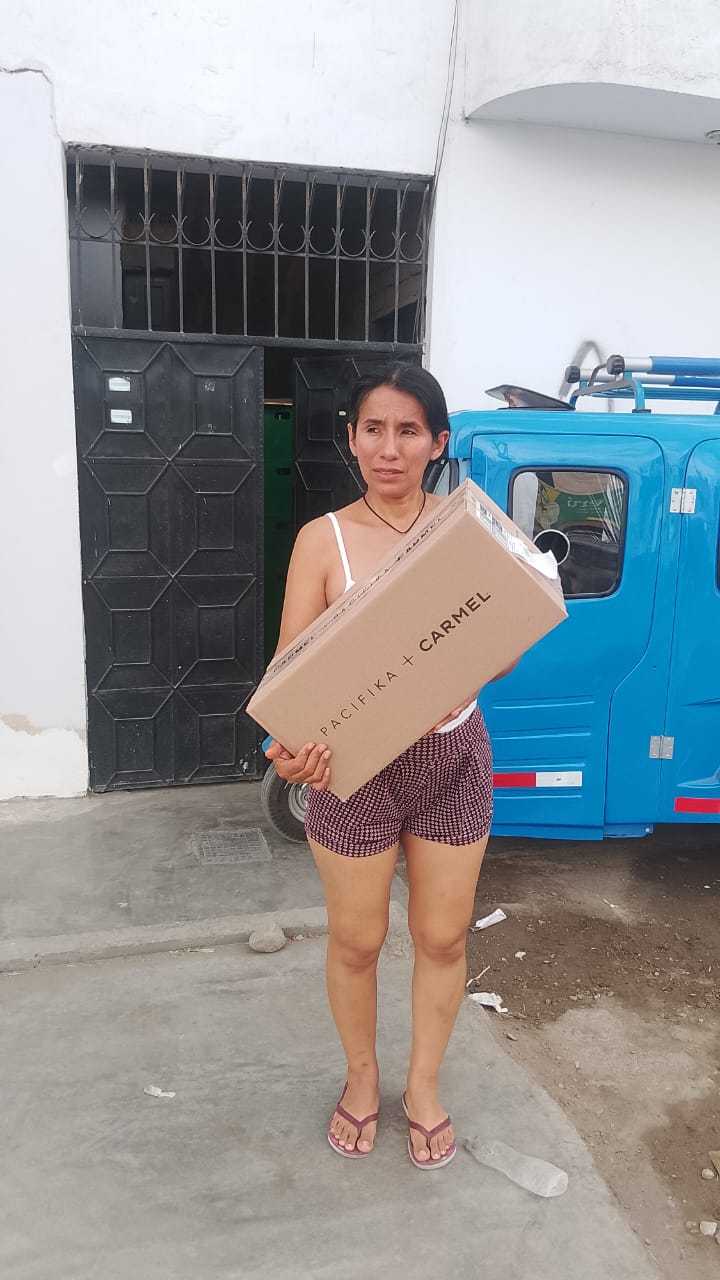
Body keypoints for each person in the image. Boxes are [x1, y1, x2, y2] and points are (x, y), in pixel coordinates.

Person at [264, 363, 515, 1169]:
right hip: (354, 770)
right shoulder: (323, 540)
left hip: (452, 758)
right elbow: (291, 673)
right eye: (373, 429)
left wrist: (457, 673)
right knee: (357, 940)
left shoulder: (468, 532)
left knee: (440, 937)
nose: (389, 448)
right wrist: (291, 746)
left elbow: (503, 647)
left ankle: (425, 1087)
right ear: (351, 439)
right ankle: (363, 1078)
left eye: (409, 431)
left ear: (438, 443)